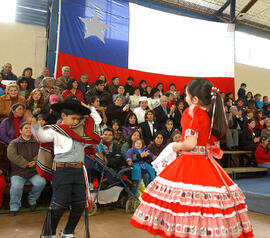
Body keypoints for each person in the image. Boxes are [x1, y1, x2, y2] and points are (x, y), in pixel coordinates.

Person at [130, 78, 253, 238]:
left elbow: (190, 142)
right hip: (207, 163)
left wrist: (176, 146)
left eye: (187, 96)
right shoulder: (211, 115)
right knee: (205, 207)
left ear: (195, 99)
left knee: (185, 204)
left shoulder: (192, 112)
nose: (185, 98)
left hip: (190, 163)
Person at [29, 99, 100, 238]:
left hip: (79, 170)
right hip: (62, 171)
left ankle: (68, 232)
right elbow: (41, 136)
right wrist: (34, 125)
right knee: (59, 205)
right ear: (63, 116)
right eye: (73, 118)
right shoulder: (55, 130)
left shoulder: (83, 133)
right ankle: (48, 234)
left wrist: (88, 108)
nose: (75, 122)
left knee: (79, 204)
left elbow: (96, 120)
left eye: (78, 119)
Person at [7, 122, 46, 216]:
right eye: (26, 128)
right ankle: (14, 207)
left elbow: (42, 153)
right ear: (20, 131)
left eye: (30, 128)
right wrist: (25, 163)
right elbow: (11, 155)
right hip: (18, 172)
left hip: (33, 171)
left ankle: (32, 200)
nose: (29, 130)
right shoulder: (14, 143)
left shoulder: (37, 142)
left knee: (41, 182)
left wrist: (35, 161)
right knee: (16, 187)